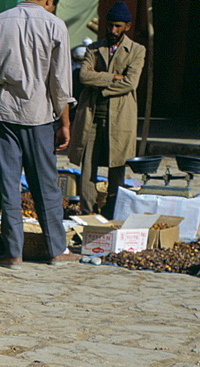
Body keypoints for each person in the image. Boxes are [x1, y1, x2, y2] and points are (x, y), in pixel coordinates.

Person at [0, 0, 78, 268]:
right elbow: (61, 82)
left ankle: (13, 253)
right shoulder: (55, 25)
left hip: (4, 114)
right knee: (46, 185)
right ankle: (57, 250)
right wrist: (64, 122)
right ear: (46, 1)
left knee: (9, 184)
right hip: (40, 116)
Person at [69, 1, 145, 216]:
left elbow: (130, 83)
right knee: (87, 164)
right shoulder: (94, 48)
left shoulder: (137, 50)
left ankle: (113, 211)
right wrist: (113, 77)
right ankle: (87, 212)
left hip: (119, 116)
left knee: (117, 165)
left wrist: (100, 85)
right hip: (91, 114)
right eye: (110, 25)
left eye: (118, 26)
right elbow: (84, 76)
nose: (113, 30)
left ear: (127, 27)